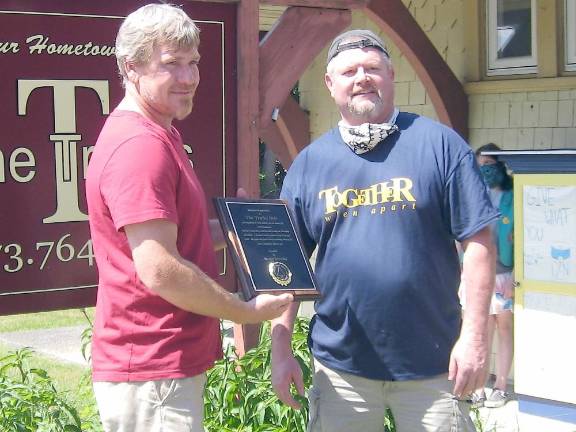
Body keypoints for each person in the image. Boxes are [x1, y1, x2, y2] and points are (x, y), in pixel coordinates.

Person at [270, 29, 498, 432]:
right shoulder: (308, 165)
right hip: (342, 371)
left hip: (434, 367)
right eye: (349, 71)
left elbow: (479, 242)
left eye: (373, 68)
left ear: (391, 75)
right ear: (329, 84)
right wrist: (280, 347)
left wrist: (476, 337)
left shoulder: (440, 146)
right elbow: (286, 265)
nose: (362, 78)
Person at [85, 4, 292, 432]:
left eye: (194, 62)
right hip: (151, 368)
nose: (189, 77)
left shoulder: (160, 134)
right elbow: (159, 268)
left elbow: (179, 239)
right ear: (132, 67)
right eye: (171, 65)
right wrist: (243, 311)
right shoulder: (140, 147)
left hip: (158, 368)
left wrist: (243, 229)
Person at [462, 143, 514, 409]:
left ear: (500, 166)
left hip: (504, 271)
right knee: (481, 327)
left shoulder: (511, 196)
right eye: (480, 166)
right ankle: (479, 386)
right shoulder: (472, 194)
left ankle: (501, 386)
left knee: (504, 327)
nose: (484, 171)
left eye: (489, 166)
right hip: (475, 272)